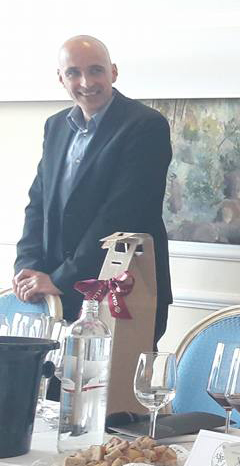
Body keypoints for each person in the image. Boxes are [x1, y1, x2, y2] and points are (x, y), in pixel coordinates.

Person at [12, 35, 173, 346]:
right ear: (61, 78)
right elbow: (39, 203)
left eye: (96, 70)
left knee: (119, 379)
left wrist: (63, 278)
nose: (86, 82)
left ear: (113, 72)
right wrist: (28, 266)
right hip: (52, 293)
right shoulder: (55, 126)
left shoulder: (146, 126)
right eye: (73, 73)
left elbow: (123, 214)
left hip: (120, 290)